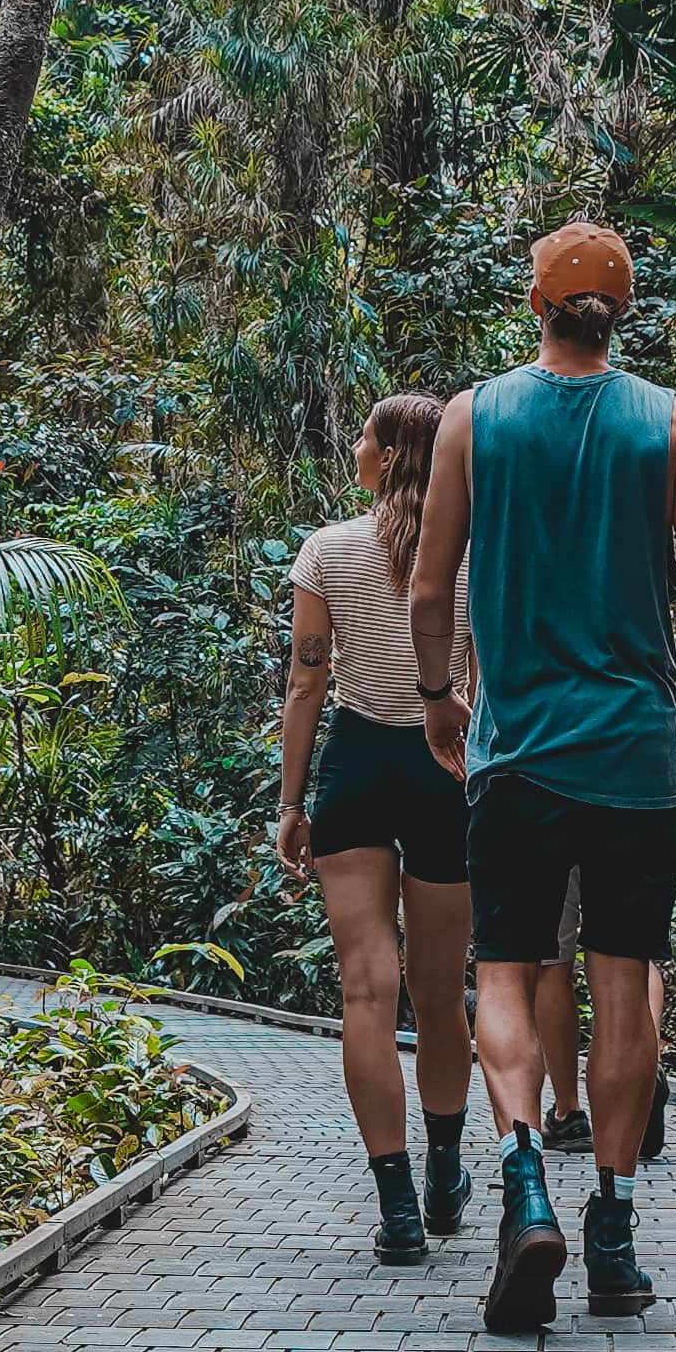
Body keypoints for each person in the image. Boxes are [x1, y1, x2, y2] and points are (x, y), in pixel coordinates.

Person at [408, 218, 676, 1335]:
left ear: (533, 306)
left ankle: (522, 1175)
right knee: (624, 982)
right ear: (624, 311)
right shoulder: (669, 423)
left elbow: (428, 587)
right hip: (635, 757)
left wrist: (437, 698)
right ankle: (610, 1228)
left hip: (516, 754)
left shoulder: (474, 417)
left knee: (505, 973)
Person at [271, 390, 475, 1261]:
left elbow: (306, 683)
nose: (353, 447)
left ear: (387, 456)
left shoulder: (327, 551)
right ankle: (443, 1171)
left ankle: (395, 1207)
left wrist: (290, 801)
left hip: (355, 771)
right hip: (444, 770)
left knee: (365, 991)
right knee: (438, 993)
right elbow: (486, 677)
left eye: (363, 437)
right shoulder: (472, 554)